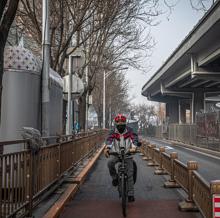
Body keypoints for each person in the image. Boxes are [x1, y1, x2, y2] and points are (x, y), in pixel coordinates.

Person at [104, 114, 141, 202]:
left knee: (130, 174)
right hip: (116, 154)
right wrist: (107, 148)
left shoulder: (130, 131)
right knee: (110, 163)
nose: (120, 124)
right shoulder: (113, 131)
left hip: (128, 154)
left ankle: (131, 194)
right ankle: (115, 178)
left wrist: (134, 147)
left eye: (122, 122)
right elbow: (109, 140)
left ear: (125, 123)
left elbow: (134, 139)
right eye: (118, 122)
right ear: (115, 123)